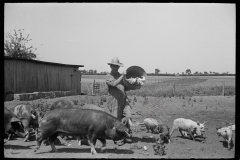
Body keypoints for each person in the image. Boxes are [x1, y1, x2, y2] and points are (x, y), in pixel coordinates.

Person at [105, 57, 132, 143]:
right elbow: (113, 84)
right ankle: (117, 137)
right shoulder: (108, 76)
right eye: (114, 66)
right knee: (116, 120)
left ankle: (126, 134)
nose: (116, 68)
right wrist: (122, 76)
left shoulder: (121, 77)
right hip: (114, 101)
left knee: (128, 116)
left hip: (124, 100)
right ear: (111, 66)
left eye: (117, 66)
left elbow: (126, 88)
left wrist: (133, 84)